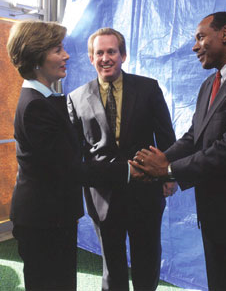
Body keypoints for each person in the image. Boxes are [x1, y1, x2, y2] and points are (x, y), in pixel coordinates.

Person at [131, 12, 226, 291]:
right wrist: (163, 158)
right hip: (215, 218)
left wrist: (167, 170)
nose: (194, 46)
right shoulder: (208, 85)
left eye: (201, 37)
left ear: (225, 34)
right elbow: (194, 137)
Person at [7, 20, 142, 291]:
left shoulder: (47, 100)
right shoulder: (36, 107)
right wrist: (128, 170)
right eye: (58, 49)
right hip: (43, 221)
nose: (66, 55)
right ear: (36, 56)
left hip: (53, 217)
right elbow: (69, 169)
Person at [67, 27, 176, 291]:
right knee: (112, 266)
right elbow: (75, 155)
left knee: (147, 261)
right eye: (99, 52)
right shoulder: (76, 98)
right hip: (102, 197)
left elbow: (166, 137)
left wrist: (169, 175)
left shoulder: (148, 88)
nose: (105, 58)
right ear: (91, 58)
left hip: (146, 192)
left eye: (111, 51)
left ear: (123, 55)